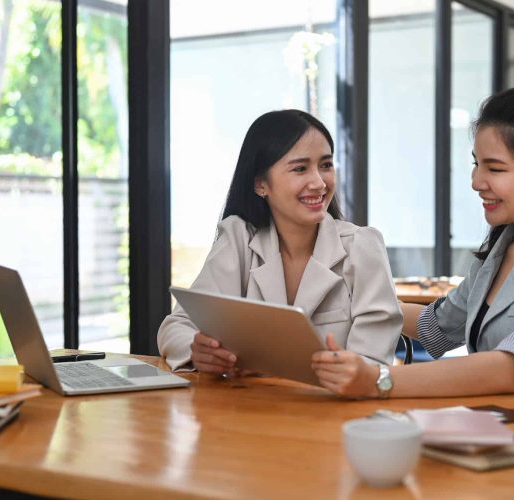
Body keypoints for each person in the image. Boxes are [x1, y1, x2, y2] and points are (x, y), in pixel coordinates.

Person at [312, 84, 514, 398]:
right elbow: (435, 327)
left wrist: (378, 380)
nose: (477, 182)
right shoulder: (500, 252)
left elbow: (513, 368)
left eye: (496, 168)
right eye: (477, 164)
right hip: (506, 434)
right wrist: (349, 293)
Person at [158, 109, 402, 373]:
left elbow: (372, 366)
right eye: (300, 168)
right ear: (261, 184)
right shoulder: (239, 238)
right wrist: (198, 350)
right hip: (245, 409)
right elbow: (176, 326)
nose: (319, 183)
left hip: (335, 410)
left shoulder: (362, 247)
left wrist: (354, 372)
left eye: (326, 165)